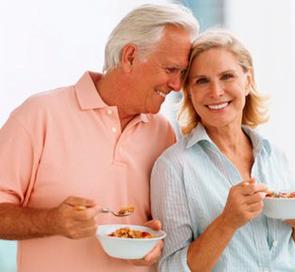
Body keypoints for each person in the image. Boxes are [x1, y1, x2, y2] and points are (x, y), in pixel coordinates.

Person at [0, 4, 199, 272]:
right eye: (170, 69)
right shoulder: (39, 115)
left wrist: (155, 245)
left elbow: (164, 226)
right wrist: (51, 221)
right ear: (130, 56)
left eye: (182, 75)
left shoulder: (163, 133)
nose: (177, 85)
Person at [151, 29, 295, 271]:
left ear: (247, 82)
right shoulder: (174, 167)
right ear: (189, 92)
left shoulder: (275, 156)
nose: (216, 92)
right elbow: (170, 269)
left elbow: (294, 260)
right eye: (202, 81)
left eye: (227, 76)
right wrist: (227, 223)